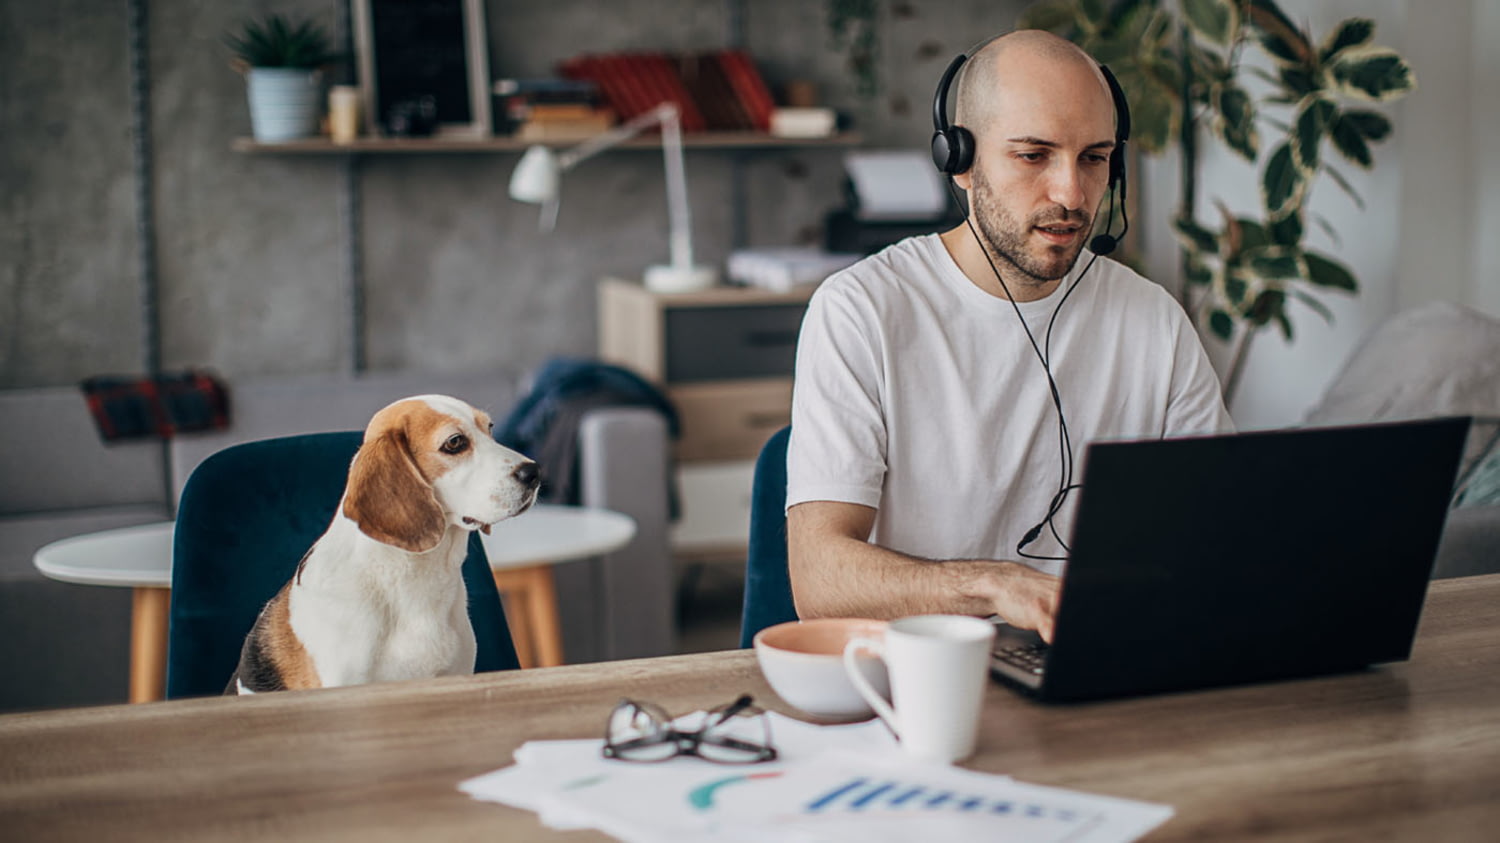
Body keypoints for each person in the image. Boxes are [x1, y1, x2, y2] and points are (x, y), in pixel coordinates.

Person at [785, 30, 1232, 642]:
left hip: (1102, 658)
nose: (1072, 195)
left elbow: (1219, 530)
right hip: (923, 681)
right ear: (959, 161)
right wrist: (997, 585)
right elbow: (820, 582)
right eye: (1033, 155)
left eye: (1095, 158)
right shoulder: (861, 310)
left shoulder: (1151, 317)